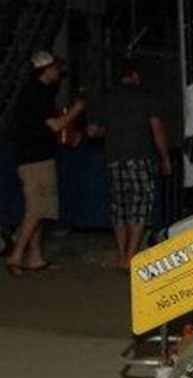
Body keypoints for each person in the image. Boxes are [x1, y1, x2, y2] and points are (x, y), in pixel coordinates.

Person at [6, 50, 86, 276]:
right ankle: (16, 254)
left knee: (39, 208)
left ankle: (35, 257)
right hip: (35, 158)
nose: (58, 71)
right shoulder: (38, 93)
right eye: (55, 67)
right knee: (38, 208)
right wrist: (76, 110)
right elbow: (56, 126)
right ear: (46, 69)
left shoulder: (38, 91)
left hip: (33, 156)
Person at [95, 63, 172, 270]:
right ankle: (130, 256)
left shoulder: (107, 97)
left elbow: (94, 130)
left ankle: (121, 254)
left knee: (119, 208)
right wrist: (165, 157)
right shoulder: (145, 96)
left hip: (113, 157)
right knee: (139, 206)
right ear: (136, 75)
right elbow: (157, 129)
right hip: (139, 157)